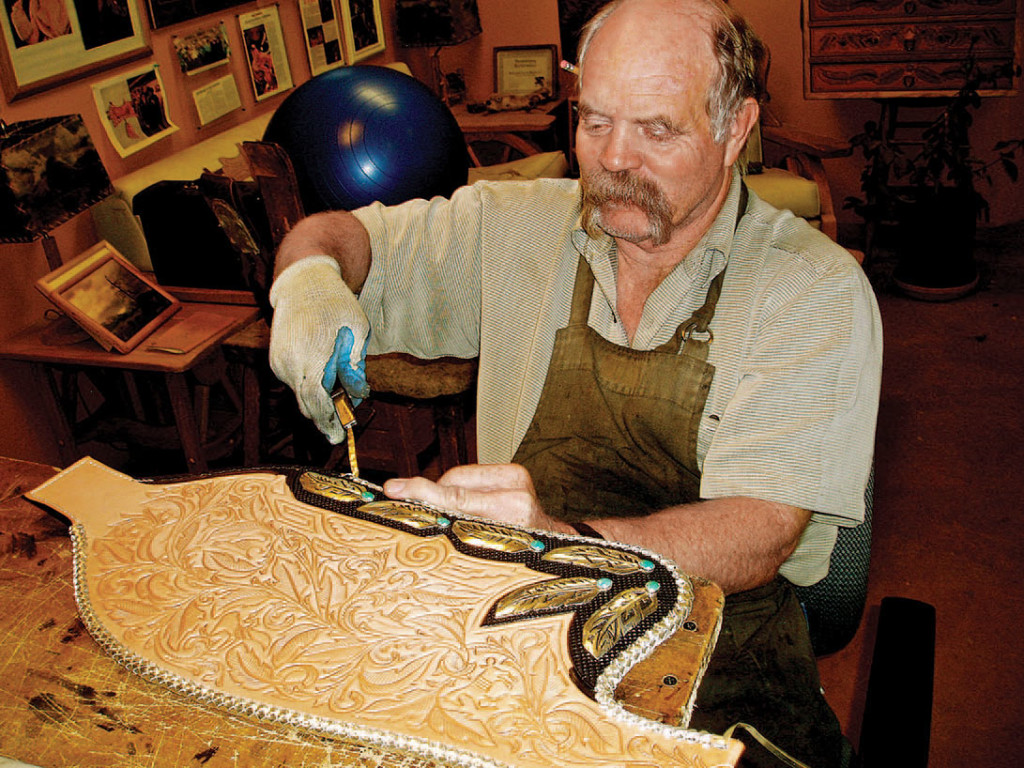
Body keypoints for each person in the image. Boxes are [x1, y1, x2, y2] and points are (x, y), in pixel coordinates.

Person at [268, 0, 882, 764]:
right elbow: (341, 233)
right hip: (523, 646)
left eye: (656, 129)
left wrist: (558, 543)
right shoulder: (516, 227)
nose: (614, 159)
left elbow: (757, 533)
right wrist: (309, 278)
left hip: (720, 668)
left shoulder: (812, 290)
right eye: (595, 121)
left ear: (736, 130)